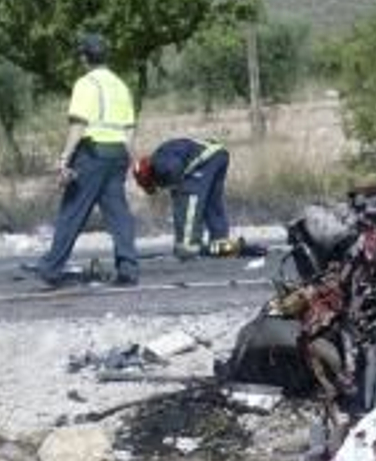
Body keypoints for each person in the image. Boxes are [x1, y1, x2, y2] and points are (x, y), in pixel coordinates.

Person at [35, 32, 138, 287]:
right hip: (117, 153)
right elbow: (129, 127)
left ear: (84, 57)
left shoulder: (85, 83)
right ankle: (128, 268)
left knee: (72, 211)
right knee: (119, 214)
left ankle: (51, 267)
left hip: (92, 153)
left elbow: (79, 123)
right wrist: (129, 156)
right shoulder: (120, 85)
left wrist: (65, 157)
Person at [132, 137, 232, 258]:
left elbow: (175, 169)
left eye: (151, 184)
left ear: (149, 175)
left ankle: (188, 244)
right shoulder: (161, 158)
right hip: (218, 154)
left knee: (189, 197)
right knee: (212, 202)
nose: (156, 186)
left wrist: (177, 189)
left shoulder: (159, 163)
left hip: (204, 159)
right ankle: (220, 241)